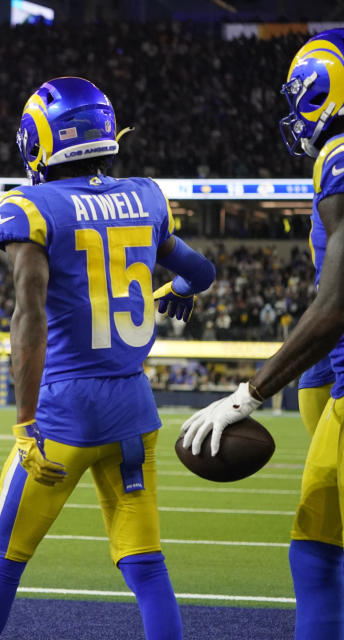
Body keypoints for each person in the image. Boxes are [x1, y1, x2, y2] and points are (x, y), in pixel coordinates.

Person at [0, 77, 216, 640]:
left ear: (42, 139)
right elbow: (201, 272)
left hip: (64, 411)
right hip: (133, 408)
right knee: (146, 565)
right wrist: (176, 292)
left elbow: (29, 319)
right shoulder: (146, 196)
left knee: (0, 562)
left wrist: (25, 422)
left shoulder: (30, 206)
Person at [181, 29, 344, 639]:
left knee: (319, 553)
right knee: (316, 550)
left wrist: (250, 393)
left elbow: (337, 304)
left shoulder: (339, 153)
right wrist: (319, 384)